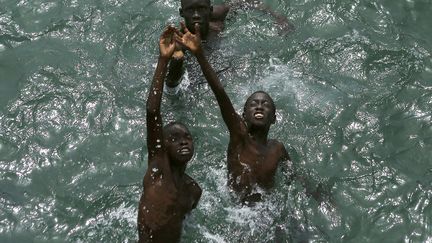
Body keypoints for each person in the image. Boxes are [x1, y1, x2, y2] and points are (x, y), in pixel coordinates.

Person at [174, 23, 289, 204]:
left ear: (274, 118)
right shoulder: (239, 137)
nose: (259, 107)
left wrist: (313, 192)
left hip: (267, 211)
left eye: (265, 104)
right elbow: (220, 93)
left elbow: (292, 176)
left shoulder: (278, 149)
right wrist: (199, 54)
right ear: (243, 116)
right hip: (237, 211)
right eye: (253, 104)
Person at [137, 26, 202, 242]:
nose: (183, 142)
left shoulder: (193, 191)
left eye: (186, 137)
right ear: (162, 147)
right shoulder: (157, 170)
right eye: (173, 139)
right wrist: (163, 60)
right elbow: (152, 112)